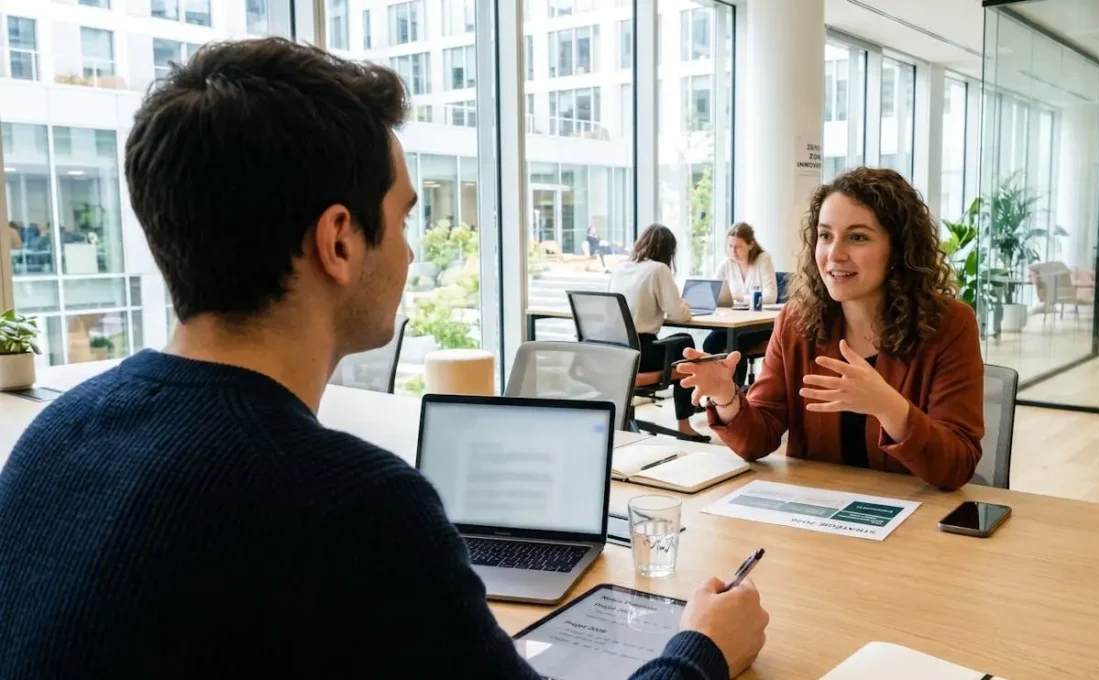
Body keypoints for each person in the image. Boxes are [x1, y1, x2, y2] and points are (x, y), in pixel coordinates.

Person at [0, 39, 767, 679]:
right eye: (402, 218)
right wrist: (700, 649)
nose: (407, 251)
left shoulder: (55, 438)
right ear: (338, 241)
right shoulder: (350, 508)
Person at [676, 167, 984, 491]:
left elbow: (956, 466)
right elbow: (757, 440)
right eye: (825, 236)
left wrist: (889, 407)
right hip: (816, 518)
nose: (834, 254)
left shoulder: (950, 325)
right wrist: (727, 399)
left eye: (858, 237)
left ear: (898, 248)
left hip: (915, 522)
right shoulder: (796, 322)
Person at [609, 224, 709, 442]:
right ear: (668, 252)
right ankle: (684, 425)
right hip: (641, 355)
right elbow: (679, 314)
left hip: (614, 354)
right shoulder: (658, 270)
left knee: (680, 343)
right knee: (686, 344)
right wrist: (683, 304)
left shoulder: (620, 268)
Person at [702, 222, 777, 385]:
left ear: (750, 245)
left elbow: (770, 296)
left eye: (738, 247)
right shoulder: (726, 263)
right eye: (730, 246)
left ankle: (736, 392)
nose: (733, 251)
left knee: (735, 346)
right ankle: (715, 390)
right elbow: (713, 290)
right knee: (709, 344)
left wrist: (742, 298)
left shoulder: (763, 260)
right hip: (735, 323)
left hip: (759, 325)